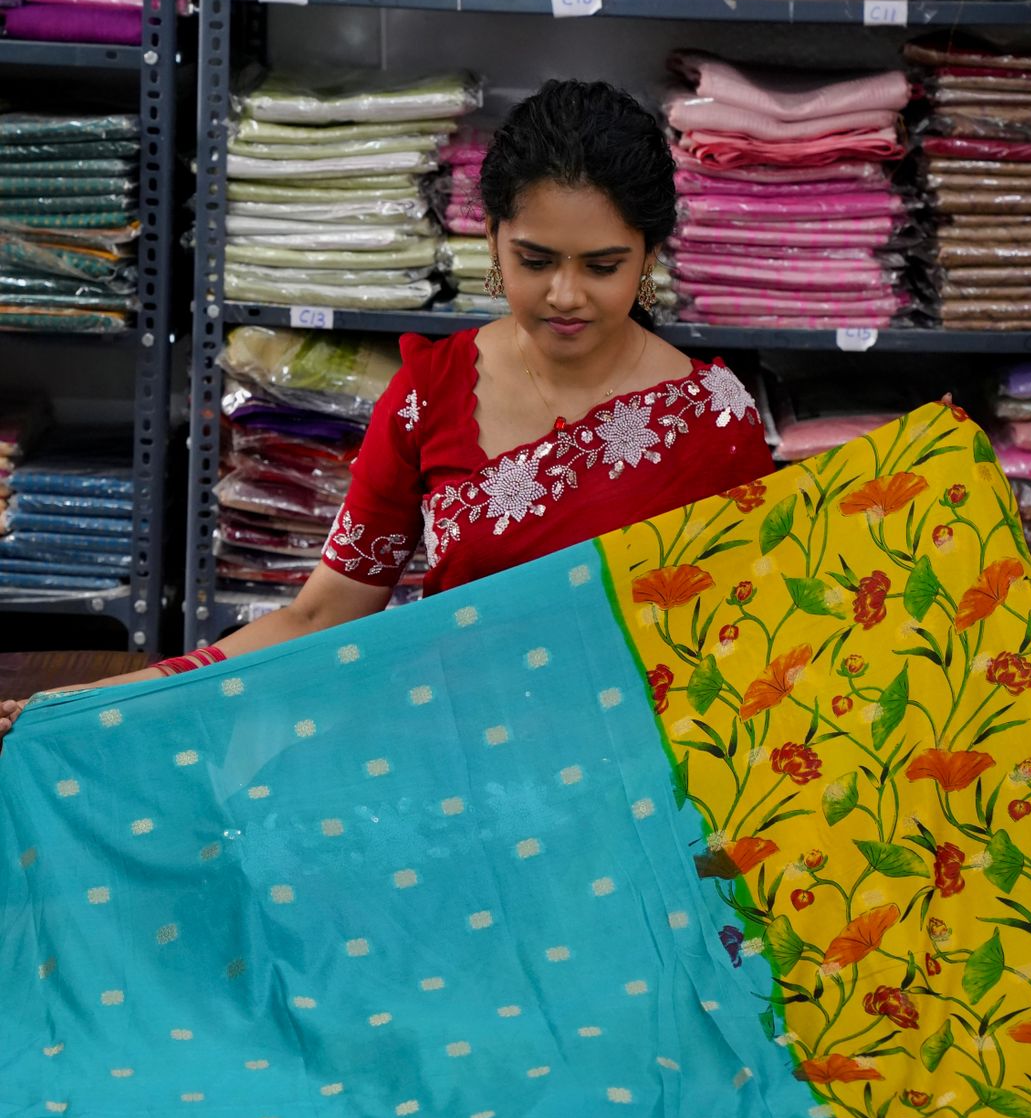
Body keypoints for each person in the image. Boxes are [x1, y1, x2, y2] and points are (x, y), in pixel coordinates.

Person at [0, 79, 772, 740]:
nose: (564, 296)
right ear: (493, 239)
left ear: (649, 256)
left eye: (603, 266)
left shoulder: (712, 422)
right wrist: (115, 701)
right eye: (534, 261)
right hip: (462, 758)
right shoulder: (432, 394)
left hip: (641, 783)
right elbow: (323, 614)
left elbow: (752, 648)